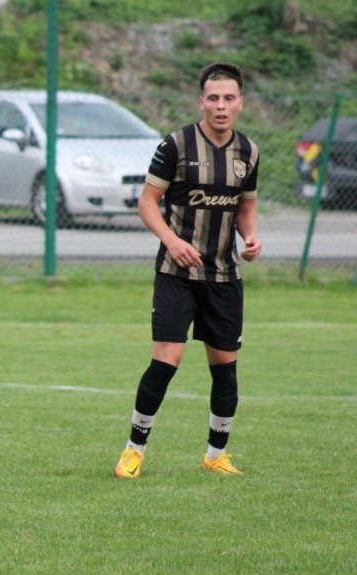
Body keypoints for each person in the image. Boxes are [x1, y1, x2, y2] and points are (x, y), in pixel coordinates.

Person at [114, 62, 262, 479]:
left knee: (225, 367)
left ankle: (216, 454)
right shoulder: (176, 145)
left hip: (224, 276)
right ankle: (133, 450)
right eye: (213, 98)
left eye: (228, 98)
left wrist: (251, 237)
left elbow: (246, 208)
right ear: (201, 102)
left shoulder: (248, 152)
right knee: (167, 360)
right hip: (176, 274)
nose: (221, 106)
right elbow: (147, 202)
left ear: (240, 103)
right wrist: (172, 241)